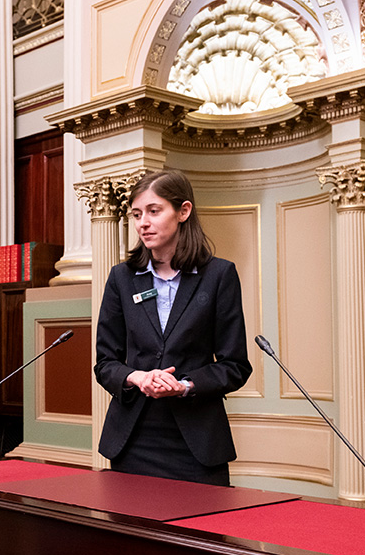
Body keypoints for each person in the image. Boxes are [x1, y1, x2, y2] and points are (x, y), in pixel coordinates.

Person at [95, 170, 253, 485]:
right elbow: (105, 364)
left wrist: (184, 386)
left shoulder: (219, 276)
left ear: (183, 211)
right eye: (137, 214)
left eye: (154, 211)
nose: (143, 223)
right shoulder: (121, 278)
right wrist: (137, 377)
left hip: (197, 443)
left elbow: (235, 366)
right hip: (133, 439)